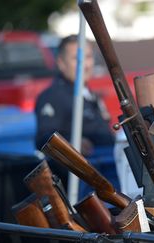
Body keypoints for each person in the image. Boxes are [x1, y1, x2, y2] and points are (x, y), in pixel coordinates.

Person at [34, 35, 119, 198]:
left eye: (88, 57)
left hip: (108, 173)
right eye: (77, 58)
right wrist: (72, 142)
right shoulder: (52, 96)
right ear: (61, 63)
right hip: (84, 189)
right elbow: (43, 139)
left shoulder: (88, 95)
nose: (85, 65)